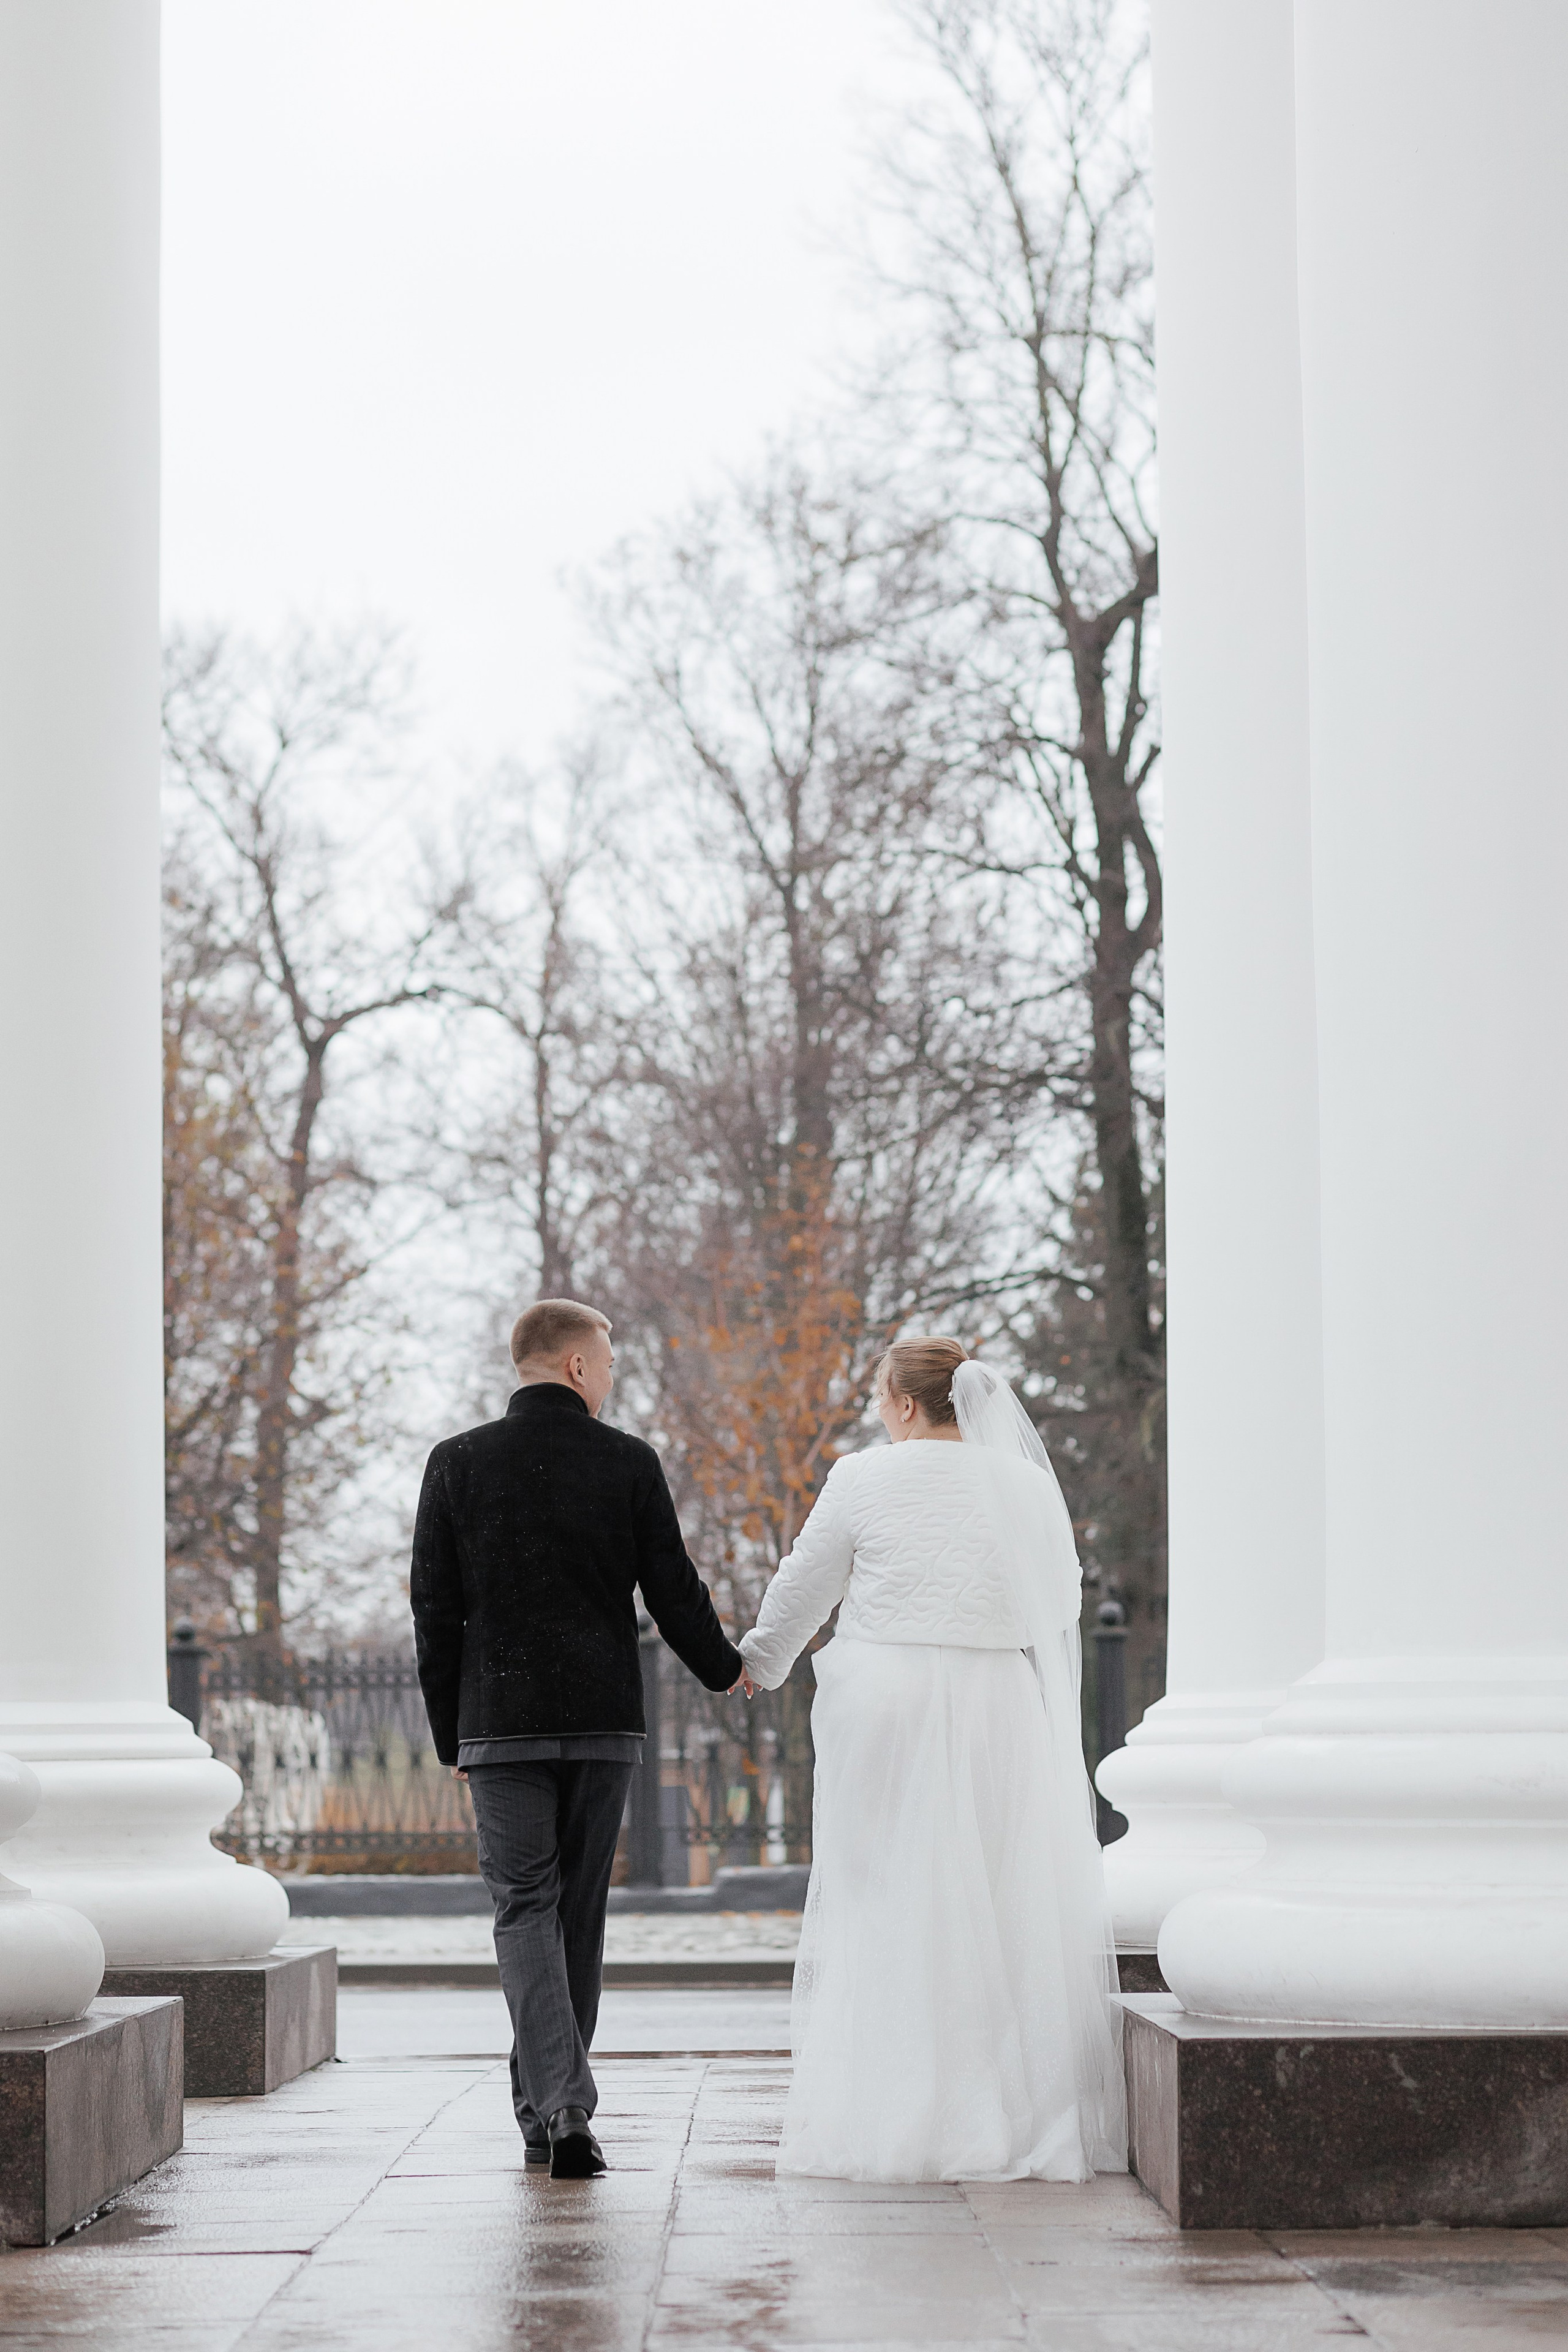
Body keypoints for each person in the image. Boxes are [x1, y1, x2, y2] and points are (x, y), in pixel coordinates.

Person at [737, 1336, 1128, 2184]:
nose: (882, 1415)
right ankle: (1001, 2109)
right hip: (996, 1704)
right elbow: (1060, 1602)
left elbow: (806, 1582)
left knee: (885, 1895)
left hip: (888, 1704)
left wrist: (760, 1662)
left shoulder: (861, 1477)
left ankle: (892, 2109)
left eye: (882, 1400)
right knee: (995, 1896)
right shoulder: (1026, 1486)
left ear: (907, 1405)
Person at [410, 1298, 746, 2179]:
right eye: (609, 1362)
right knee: (578, 1916)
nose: (612, 1378)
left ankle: (554, 2109)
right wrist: (725, 1669)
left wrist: (453, 1736)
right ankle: (560, 2111)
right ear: (577, 1366)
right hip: (602, 1723)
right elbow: (673, 1588)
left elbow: (434, 1613)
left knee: (525, 1908)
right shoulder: (627, 1461)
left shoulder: (455, 1463)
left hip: (500, 1725)